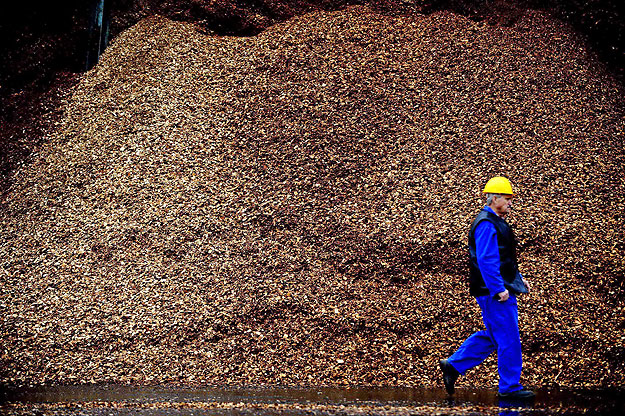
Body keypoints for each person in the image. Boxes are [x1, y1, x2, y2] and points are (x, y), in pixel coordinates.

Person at [439, 176, 535, 400]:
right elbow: (486, 260)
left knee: (495, 336)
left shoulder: (495, 222)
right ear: (495, 198)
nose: (511, 203)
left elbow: (505, 258)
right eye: (507, 198)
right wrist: (498, 289)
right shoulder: (486, 224)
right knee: (508, 337)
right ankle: (510, 388)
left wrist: (518, 280)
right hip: (495, 294)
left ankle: (453, 366)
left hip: (497, 289)